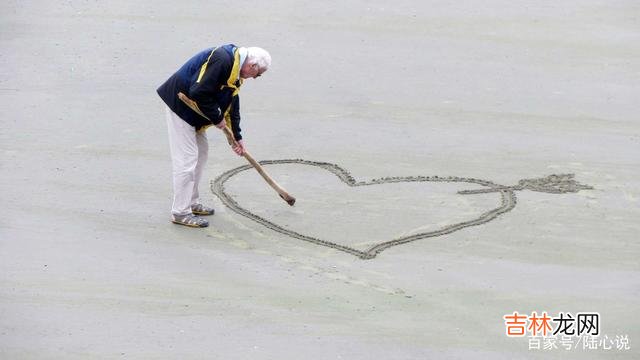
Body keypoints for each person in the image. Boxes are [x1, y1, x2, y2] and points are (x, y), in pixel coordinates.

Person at [157, 44, 271, 228]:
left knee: (201, 154)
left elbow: (232, 103)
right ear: (252, 66)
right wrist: (217, 119)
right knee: (187, 160)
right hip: (180, 107)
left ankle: (191, 202)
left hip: (196, 113)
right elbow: (198, 92)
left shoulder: (236, 71)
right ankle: (180, 212)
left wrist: (237, 136)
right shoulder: (223, 60)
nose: (256, 78)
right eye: (258, 74)